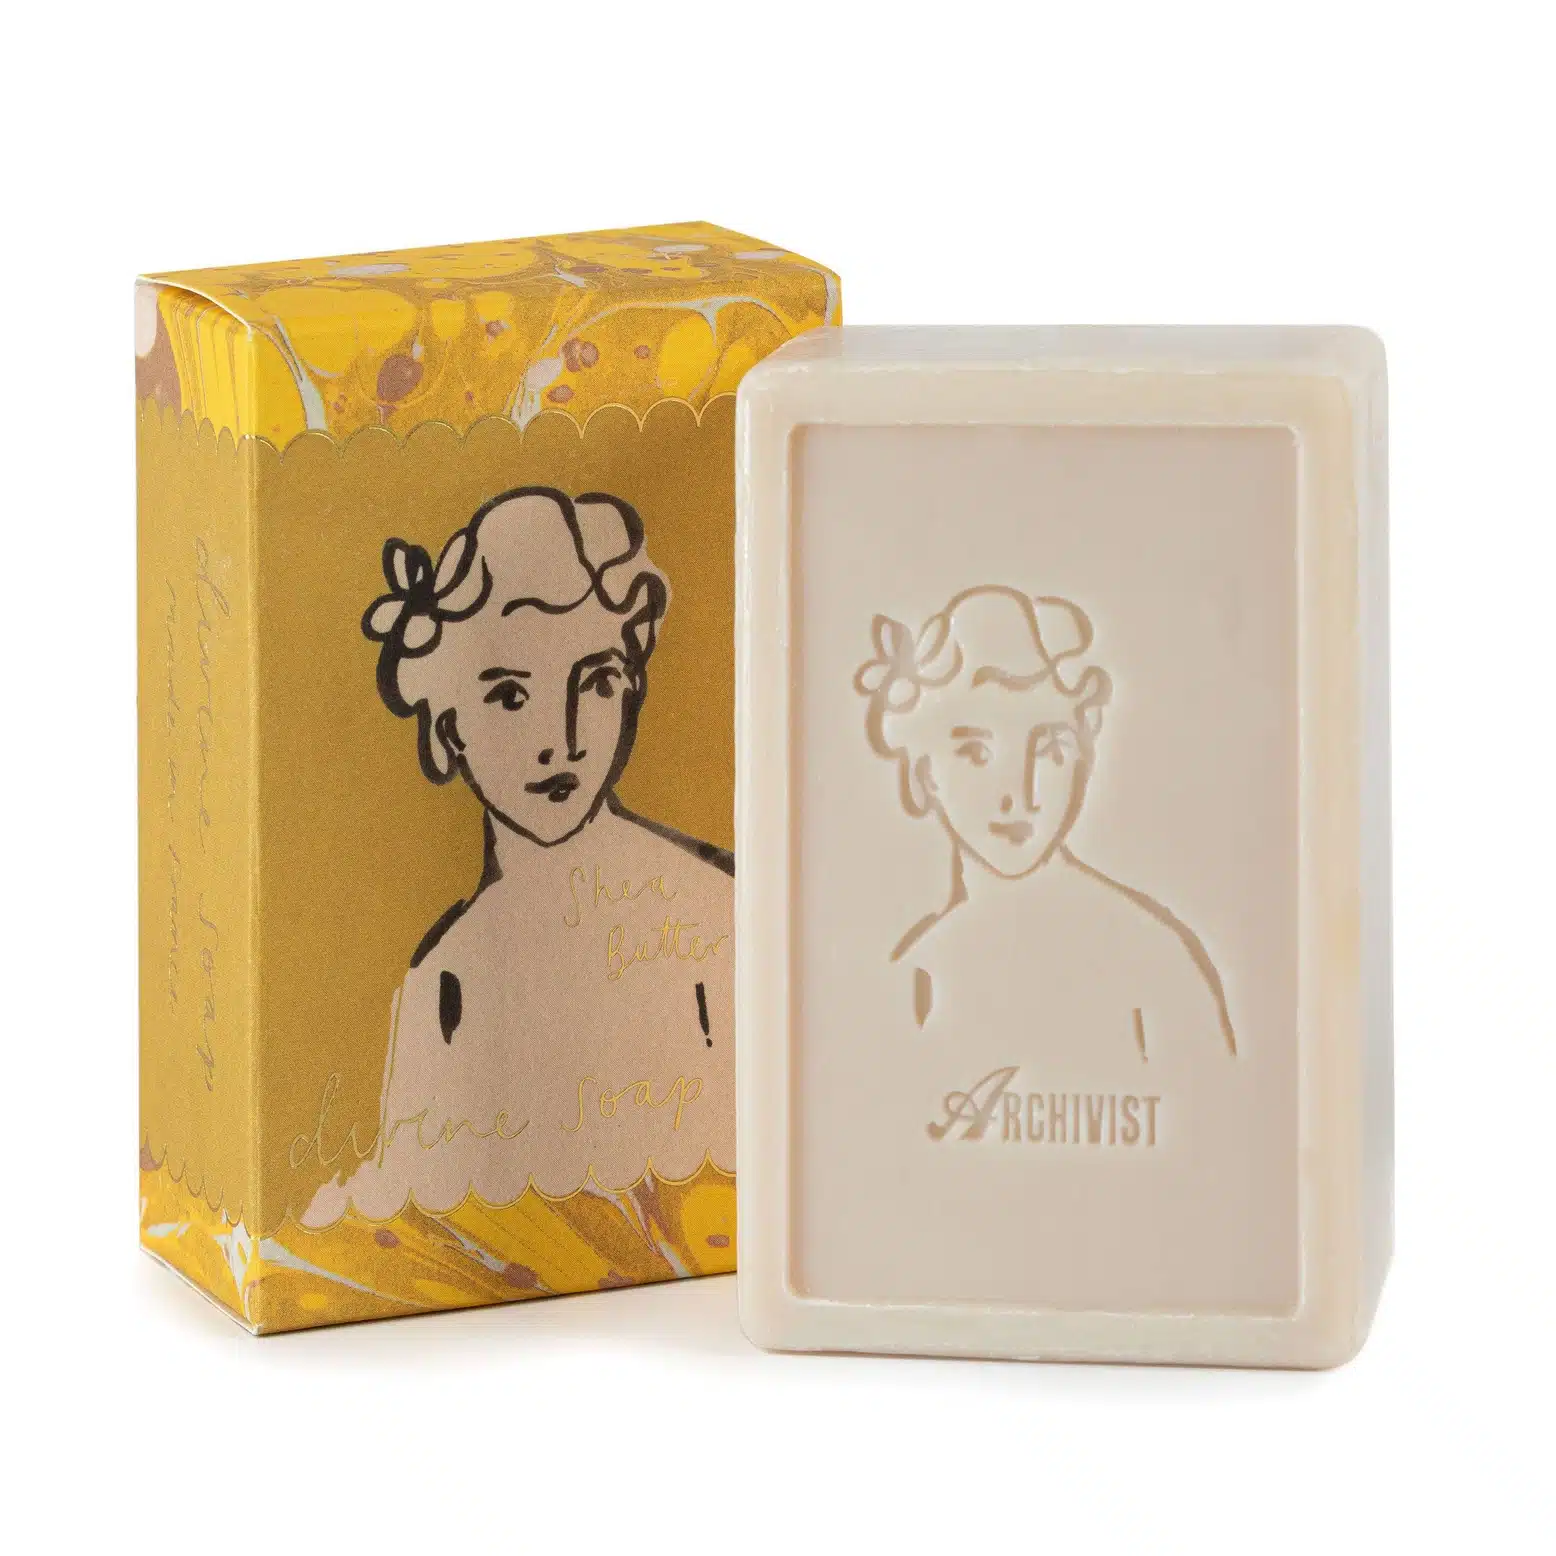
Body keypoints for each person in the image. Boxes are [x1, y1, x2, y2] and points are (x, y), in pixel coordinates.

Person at [304, 487, 734, 1225]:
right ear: (449, 729)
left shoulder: (712, 910)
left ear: (631, 688)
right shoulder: (444, 981)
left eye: (595, 682)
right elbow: (420, 1207)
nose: (559, 739)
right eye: (509, 696)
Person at [854, 585, 1235, 1064]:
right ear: (924, 773)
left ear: (1084, 760)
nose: (1022, 794)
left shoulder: (1151, 960)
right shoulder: (915, 977)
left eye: (1051, 750)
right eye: (977, 753)